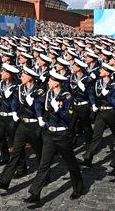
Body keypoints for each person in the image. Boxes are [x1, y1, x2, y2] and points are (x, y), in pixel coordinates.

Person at [24, 69, 84, 203]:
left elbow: (69, 118)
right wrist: (40, 116)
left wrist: (58, 111)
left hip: (62, 135)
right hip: (49, 134)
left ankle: (78, 188)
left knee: (71, 163)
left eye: (51, 80)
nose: (48, 82)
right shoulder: (48, 94)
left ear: (57, 83)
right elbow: (38, 104)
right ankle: (35, 193)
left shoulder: (67, 97)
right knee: (44, 165)